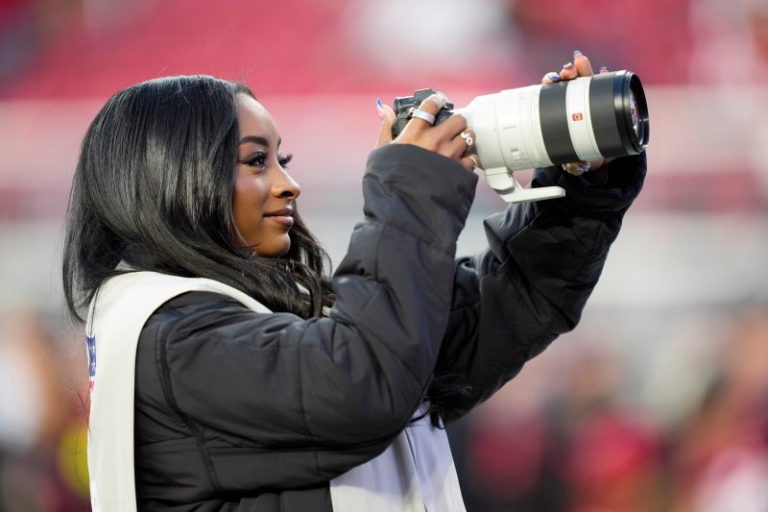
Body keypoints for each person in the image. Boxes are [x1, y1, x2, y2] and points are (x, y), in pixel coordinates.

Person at [62, 51, 646, 511]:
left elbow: (494, 313)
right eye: (257, 161)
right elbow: (361, 383)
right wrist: (411, 188)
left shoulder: (266, 319)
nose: (288, 185)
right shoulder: (168, 337)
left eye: (283, 160)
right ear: (173, 178)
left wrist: (580, 183)